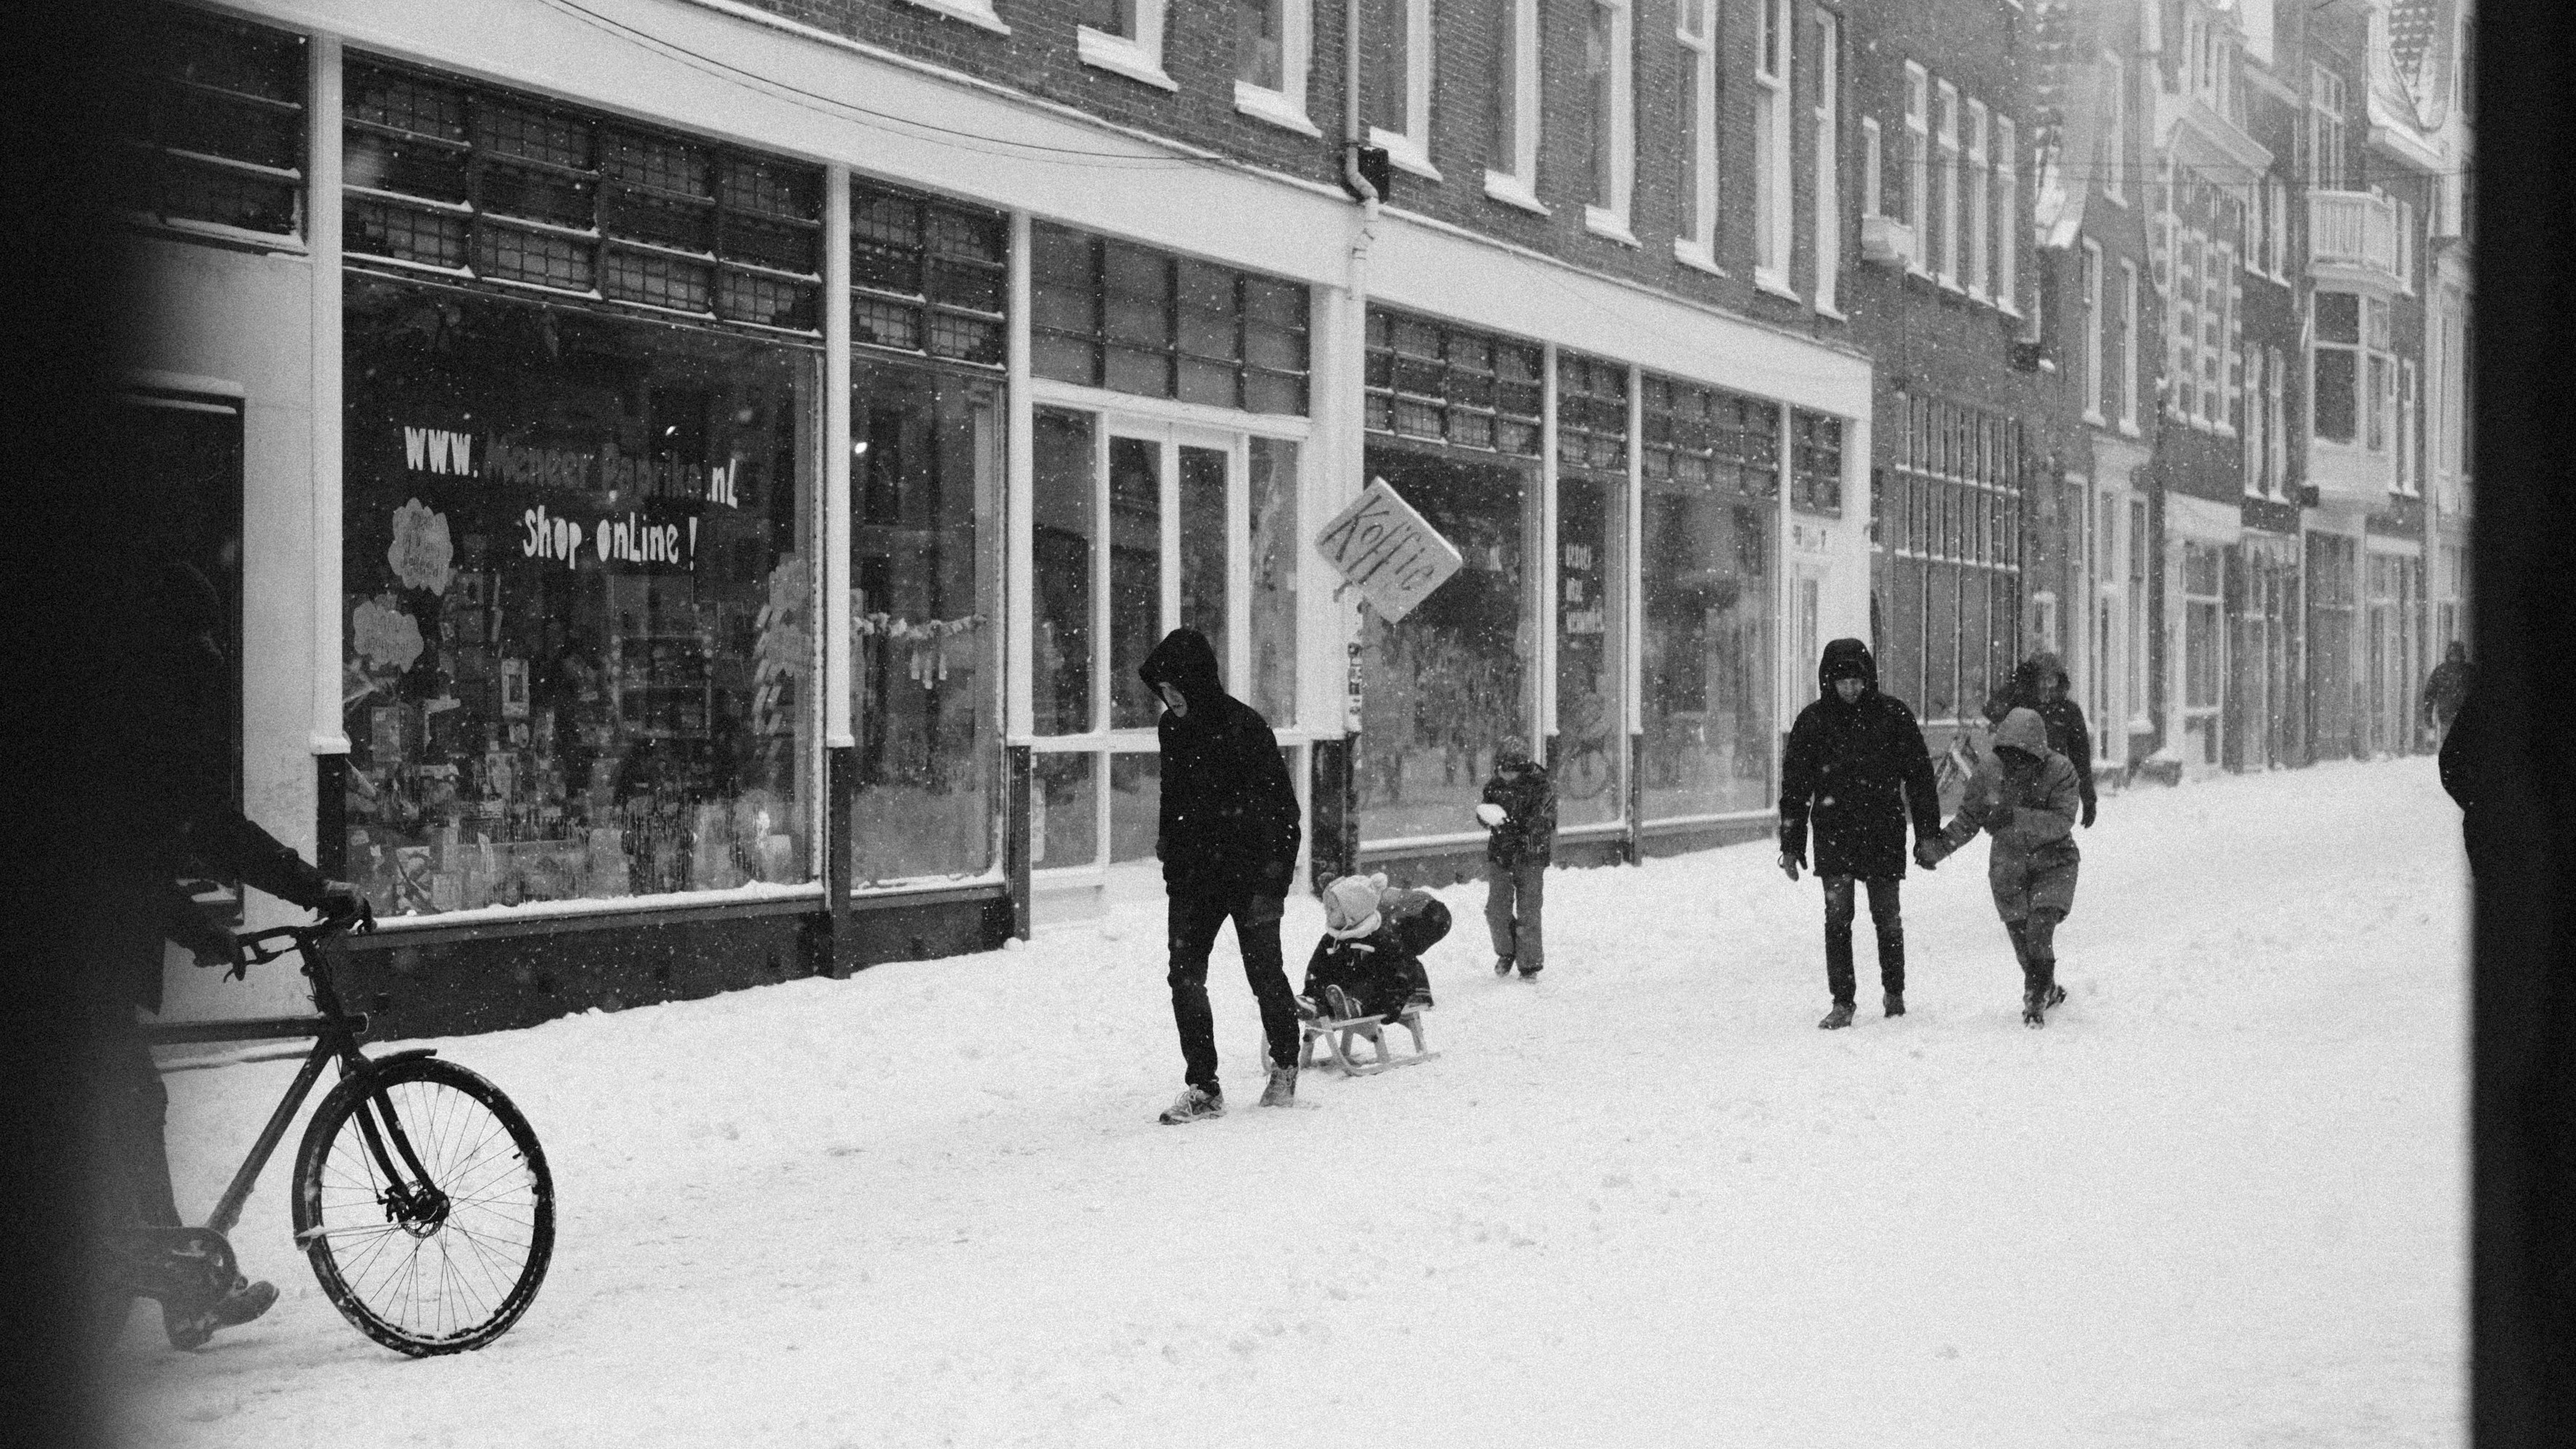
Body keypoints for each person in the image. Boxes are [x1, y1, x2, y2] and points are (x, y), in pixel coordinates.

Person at [98, 561, 363, 1346]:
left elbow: (184, 836)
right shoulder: (133, 723)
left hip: (96, 943)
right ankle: (177, 1279)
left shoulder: (126, 713)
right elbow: (126, 855)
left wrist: (222, 918)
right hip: (84, 952)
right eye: (201, 635)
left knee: (132, 1105)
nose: (212, 651)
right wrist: (303, 894)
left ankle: (183, 1286)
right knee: (130, 1103)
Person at [1137, 627, 1305, 1123]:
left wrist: (1274, 878)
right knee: (1184, 977)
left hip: (1251, 874)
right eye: (1163, 694)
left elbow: (1284, 812)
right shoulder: (1172, 729)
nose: (1171, 702)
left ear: (1196, 682)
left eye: (1176, 691)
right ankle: (1203, 1085)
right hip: (1195, 876)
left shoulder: (1245, 728)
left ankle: (1286, 1064)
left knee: (1264, 972)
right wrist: (1172, 858)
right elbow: (1174, 799)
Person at [1778, 639, 1946, 1029]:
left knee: (1887, 917)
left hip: (1883, 831)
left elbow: (1920, 779)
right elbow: (1796, 789)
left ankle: (1895, 994)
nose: (1850, 689)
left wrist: (1927, 834)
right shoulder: (1813, 723)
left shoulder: (1893, 716)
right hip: (1834, 833)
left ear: (1868, 678)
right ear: (1829, 682)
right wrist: (1791, 845)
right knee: (1838, 918)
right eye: (1843, 682)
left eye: (1856, 681)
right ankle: (1842, 1002)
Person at [1916, 707, 2084, 1029]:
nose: (2016, 764)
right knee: (2024, 944)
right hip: (2009, 867)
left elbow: (2062, 821)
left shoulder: (2061, 771)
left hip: (2054, 862)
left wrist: (2015, 816)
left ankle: (2033, 999)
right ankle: (2045, 986)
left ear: (2038, 753)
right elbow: (1969, 818)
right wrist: (1938, 849)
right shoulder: (1989, 771)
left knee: (2040, 929)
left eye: (2023, 757)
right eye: (2009, 756)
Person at [1301, 872, 1443, 1023]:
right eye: (1326, 909)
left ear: (1351, 913)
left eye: (1332, 910)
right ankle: (1313, 1003)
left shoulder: (1377, 934)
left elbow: (1400, 967)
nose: (1327, 914)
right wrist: (1312, 990)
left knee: (1374, 979)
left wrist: (1396, 1001)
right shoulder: (1331, 938)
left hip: (1376, 999)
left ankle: (1353, 1005)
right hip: (1340, 991)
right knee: (1328, 979)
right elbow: (1316, 967)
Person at [1477, 735, 1557, 980]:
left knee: (1529, 911)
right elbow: (1486, 810)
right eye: (1501, 770)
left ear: (1522, 768)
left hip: (1531, 854)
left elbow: (1546, 821)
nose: (1505, 775)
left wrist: (1519, 829)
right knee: (1496, 910)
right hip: (1500, 853)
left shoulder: (1540, 785)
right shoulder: (1494, 785)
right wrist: (1487, 817)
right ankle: (1507, 951)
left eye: (1510, 771)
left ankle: (1529, 964)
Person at [2007, 651, 2098, 829]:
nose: (2046, 686)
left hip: (2056, 790)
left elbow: (2080, 757)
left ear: (2059, 680)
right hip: (2022, 791)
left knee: (2055, 843)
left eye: (2051, 679)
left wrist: (2088, 797)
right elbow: (1993, 711)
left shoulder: (2069, 712)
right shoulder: (2020, 707)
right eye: (2041, 679)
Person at [2437, 675, 2489, 876]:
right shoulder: (2480, 701)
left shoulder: (2479, 700)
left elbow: (2449, 760)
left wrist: (2474, 803)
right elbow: (2450, 760)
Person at [2420, 640, 2473, 748]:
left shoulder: (2469, 671)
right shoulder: (2441, 672)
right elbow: (2429, 695)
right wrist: (2428, 717)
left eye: (2457, 655)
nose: (2455, 658)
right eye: (2453, 655)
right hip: (2447, 716)